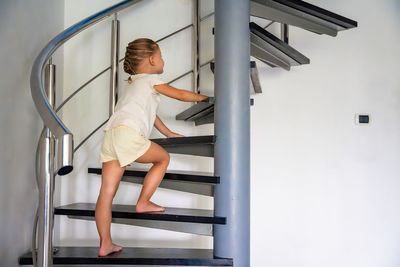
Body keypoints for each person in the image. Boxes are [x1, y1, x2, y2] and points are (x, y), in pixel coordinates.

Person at [94, 38, 209, 257]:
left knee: (106, 193)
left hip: (111, 136)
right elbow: (181, 94)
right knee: (163, 158)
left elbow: (150, 114)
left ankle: (105, 244)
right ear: (152, 59)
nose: (163, 59)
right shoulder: (150, 80)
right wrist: (209, 99)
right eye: (162, 55)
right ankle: (144, 201)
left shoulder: (132, 85)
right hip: (128, 135)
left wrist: (166, 133)